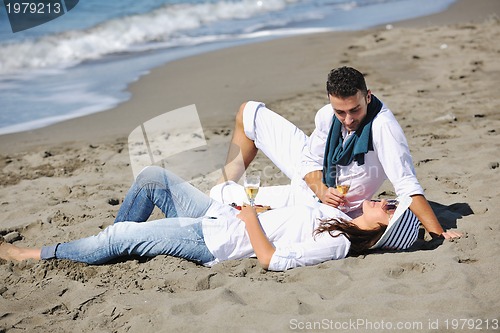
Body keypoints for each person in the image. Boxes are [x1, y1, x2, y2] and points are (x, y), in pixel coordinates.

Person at [0, 166, 422, 271]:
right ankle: (114, 243)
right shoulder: (339, 218)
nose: (381, 200)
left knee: (125, 234)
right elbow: (289, 222)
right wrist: (263, 211)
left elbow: (272, 260)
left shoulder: (340, 243)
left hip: (214, 240)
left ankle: (30, 255)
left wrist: (253, 218)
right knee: (152, 179)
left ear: (387, 228)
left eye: (389, 207)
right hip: (223, 216)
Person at [214, 66, 461, 240]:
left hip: (328, 209)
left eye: (355, 110)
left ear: (368, 96)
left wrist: (438, 233)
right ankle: (223, 184)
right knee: (249, 112)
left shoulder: (384, 127)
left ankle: (223, 193)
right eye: (340, 112)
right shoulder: (327, 115)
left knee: (221, 199)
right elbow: (308, 160)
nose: (348, 119)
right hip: (313, 186)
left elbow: (406, 183)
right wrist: (321, 188)